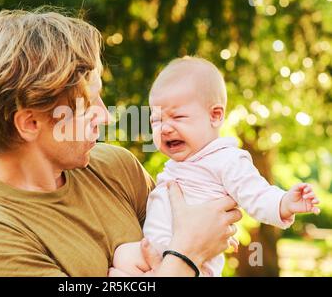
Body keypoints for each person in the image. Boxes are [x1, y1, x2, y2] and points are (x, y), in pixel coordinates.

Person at [0, 9, 242, 276]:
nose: (104, 116)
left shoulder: (117, 168)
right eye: (87, 105)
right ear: (30, 123)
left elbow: (206, 226)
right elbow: (193, 243)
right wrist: (186, 255)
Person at [112, 57, 320, 277]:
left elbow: (257, 194)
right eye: (156, 120)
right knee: (122, 256)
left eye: (178, 117)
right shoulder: (180, 163)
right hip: (156, 253)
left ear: (215, 116)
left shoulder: (227, 160)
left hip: (196, 264)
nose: (164, 128)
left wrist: (285, 202)